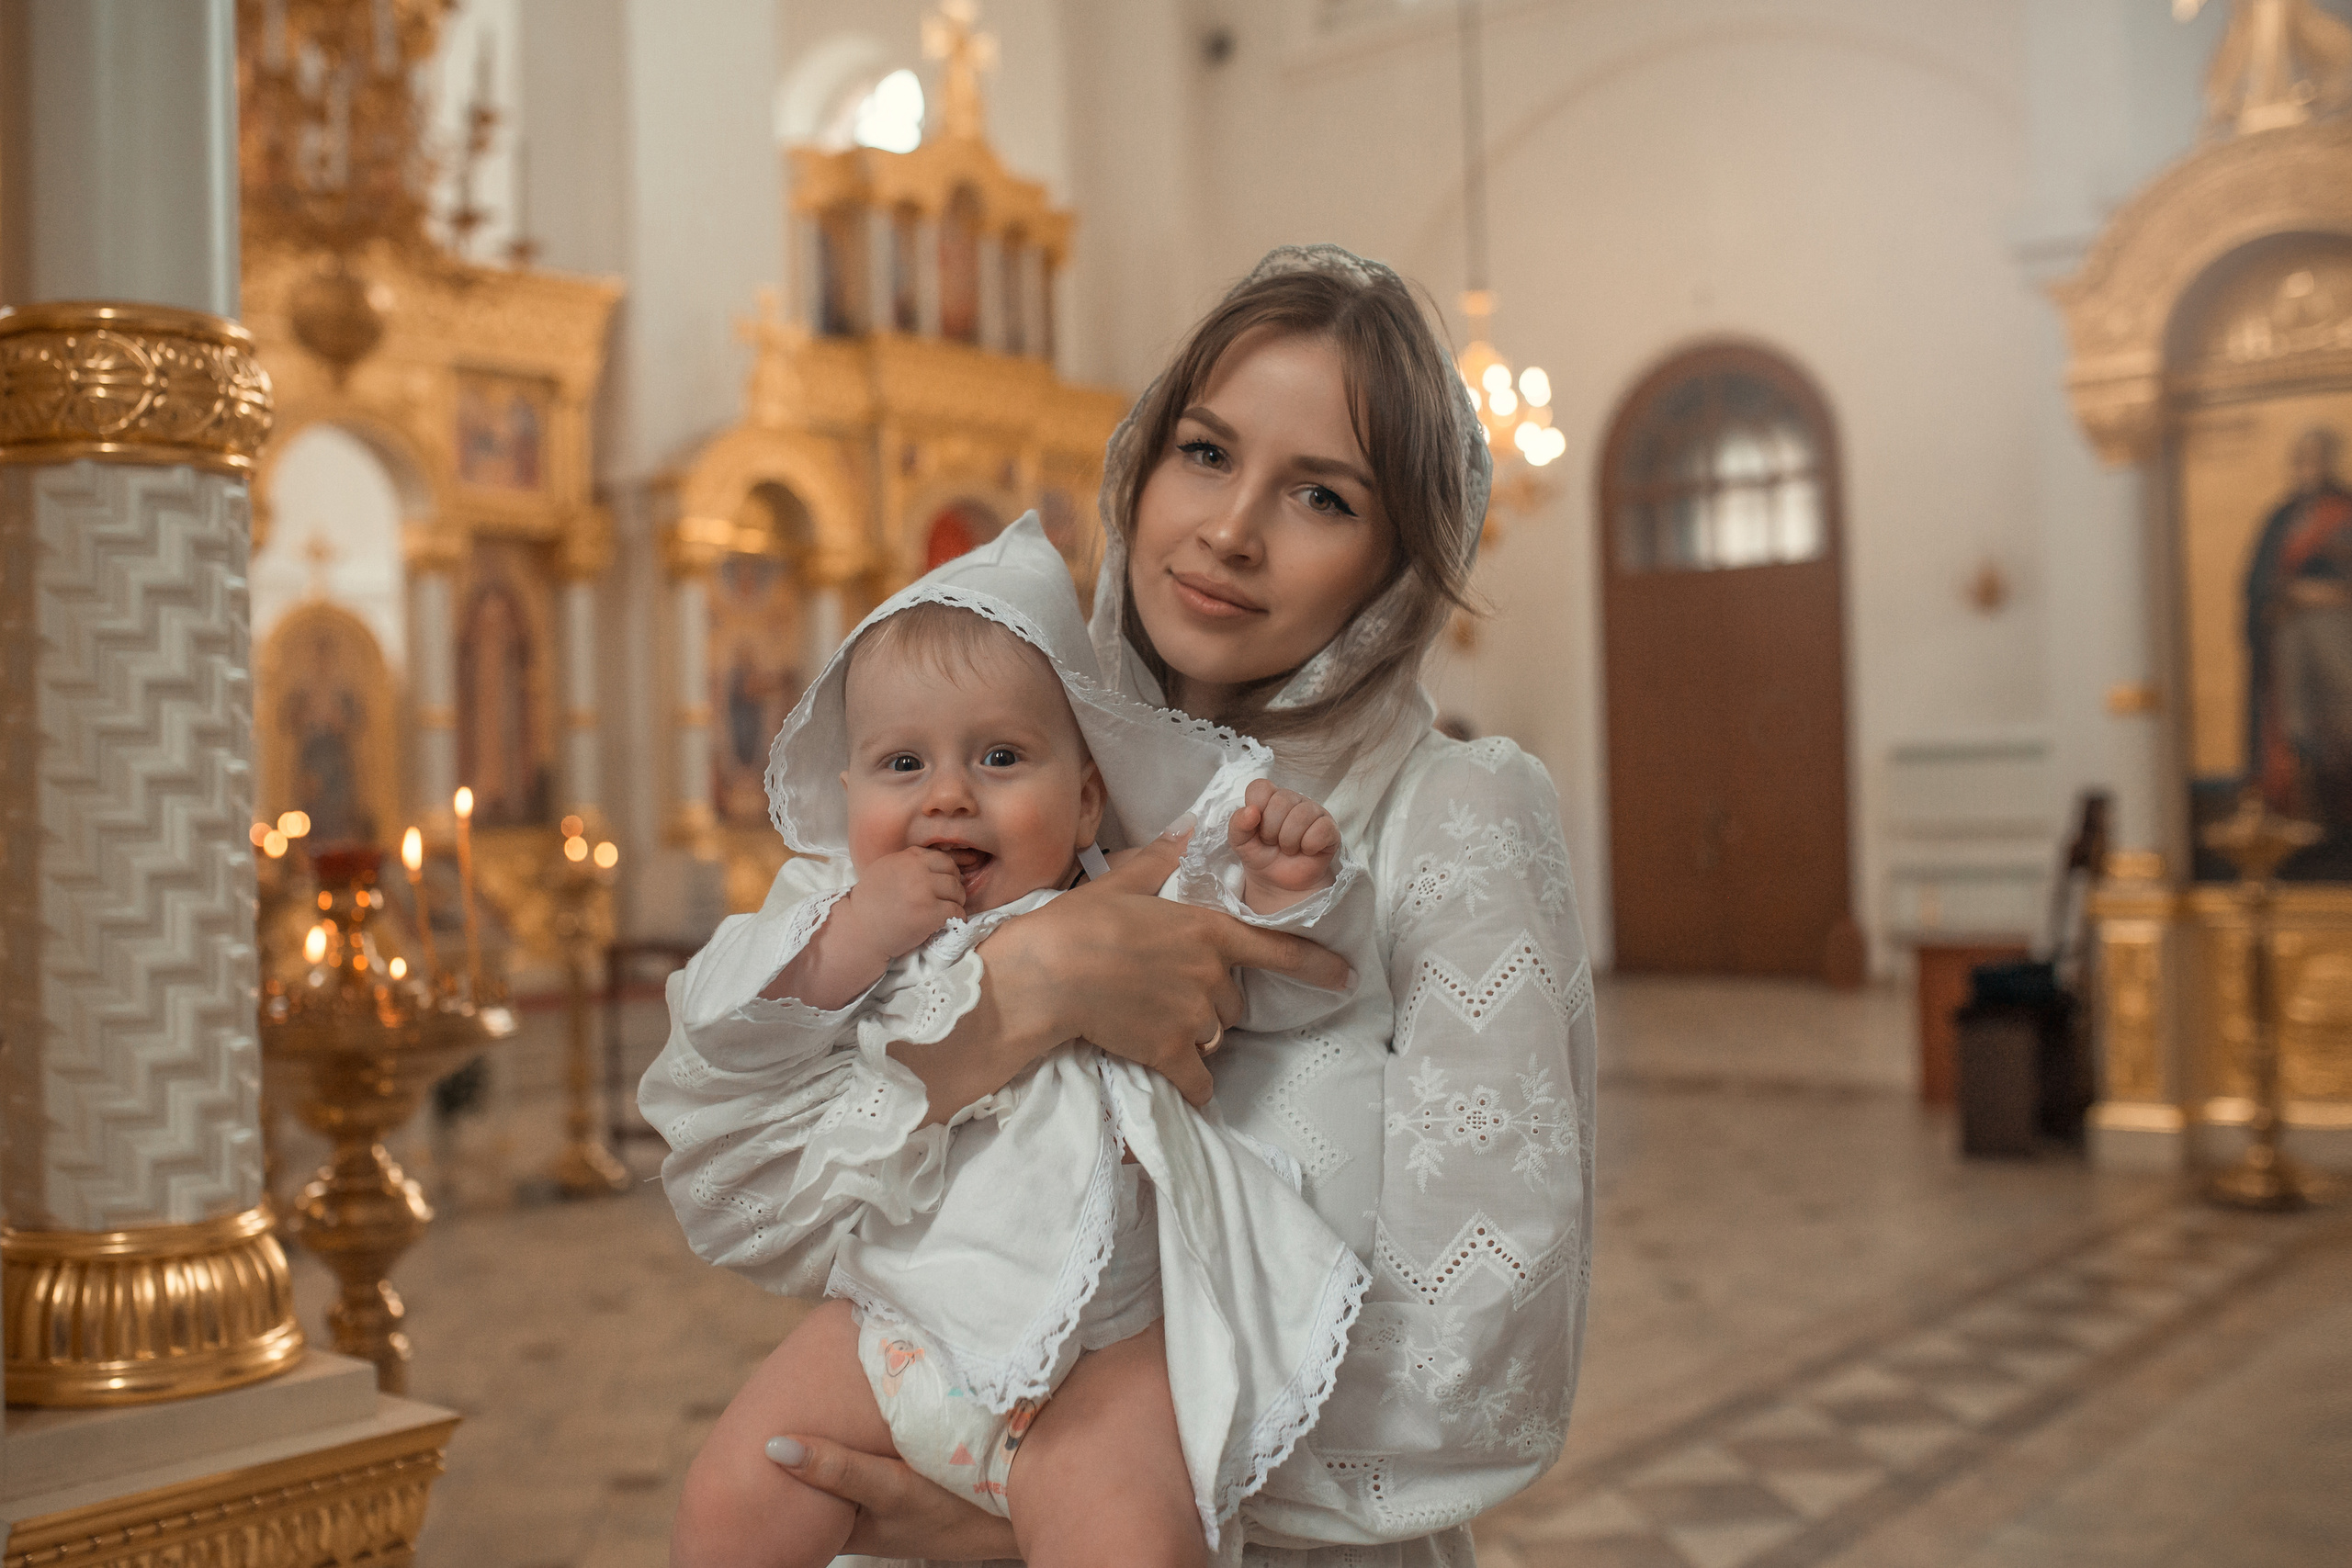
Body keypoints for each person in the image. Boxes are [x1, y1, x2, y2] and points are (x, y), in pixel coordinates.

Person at [652, 244, 1596, 1567]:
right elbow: (742, 1196)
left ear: (1396, 561)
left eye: (1321, 493)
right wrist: (1019, 997)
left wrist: (1013, 1505)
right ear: (1140, 463)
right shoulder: (986, 769)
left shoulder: (1447, 816)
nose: (1231, 527)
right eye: (1205, 453)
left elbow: (1474, 1362)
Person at [646, 518, 1379, 1566]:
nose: (949, 794)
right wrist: (854, 937)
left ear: (1085, 797)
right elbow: (728, 1027)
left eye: (999, 757)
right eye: (903, 764)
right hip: (890, 1324)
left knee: (1134, 1546)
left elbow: (1287, 987)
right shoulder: (827, 912)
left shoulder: (1135, 902)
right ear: (848, 799)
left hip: (1103, 1359)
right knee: (734, 1494)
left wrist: (1287, 887)